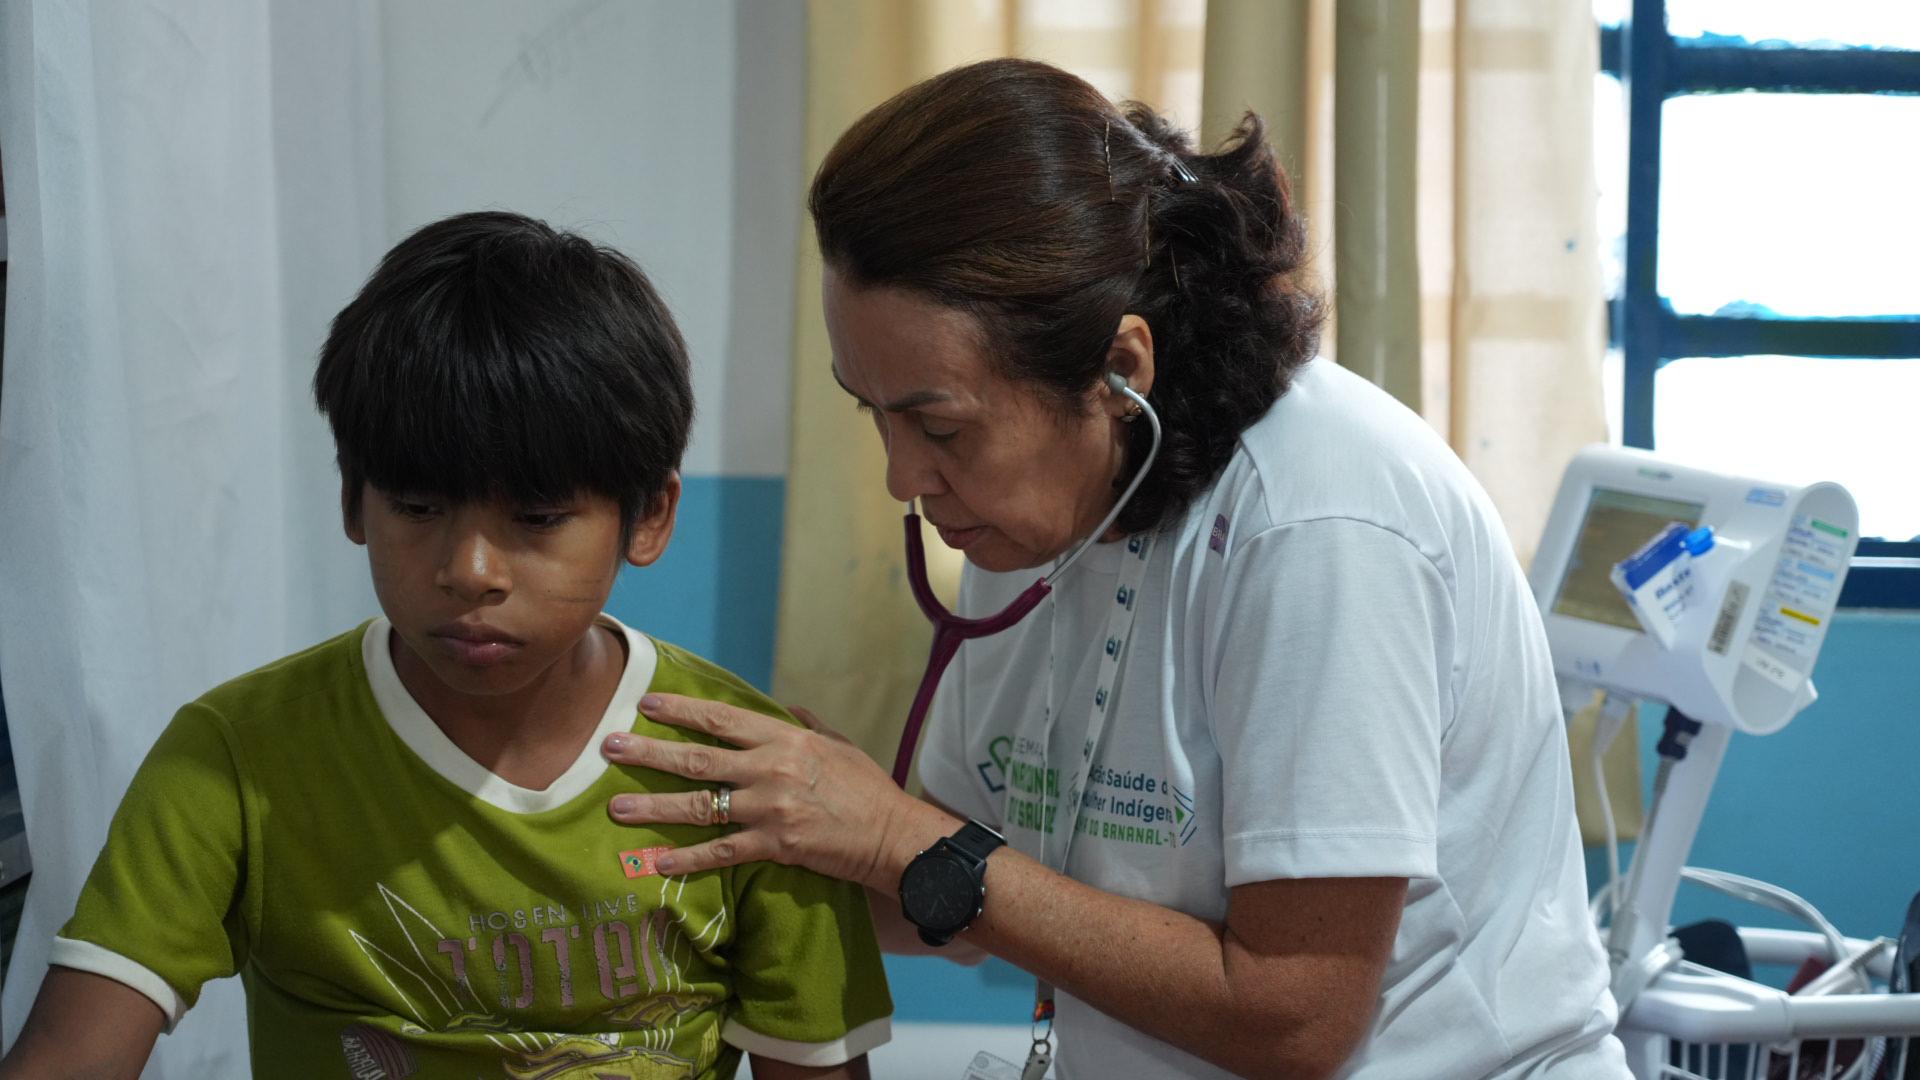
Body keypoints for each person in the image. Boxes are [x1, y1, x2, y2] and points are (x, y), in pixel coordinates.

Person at [596, 59, 1629, 1078]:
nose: (904, 478)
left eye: (939, 427)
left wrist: (894, 834)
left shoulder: (1319, 528)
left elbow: (1295, 1020)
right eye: (872, 413)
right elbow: (960, 896)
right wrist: (762, 835)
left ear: (1119, 372)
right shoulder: (1044, 511)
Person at [0, 212, 891, 1080]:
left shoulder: (757, 775)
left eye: (537, 518)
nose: (470, 571)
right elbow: (73, 1054)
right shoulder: (238, 759)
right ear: (354, 500)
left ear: (648, 516)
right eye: (419, 509)